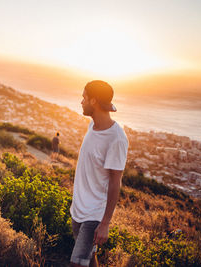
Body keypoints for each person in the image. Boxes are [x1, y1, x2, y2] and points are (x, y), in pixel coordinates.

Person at [70, 80, 128, 267]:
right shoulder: (92, 127)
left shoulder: (116, 139)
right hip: (79, 209)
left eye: (84, 97)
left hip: (93, 215)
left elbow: (115, 182)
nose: (81, 102)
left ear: (93, 101)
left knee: (77, 263)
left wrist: (105, 223)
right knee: (90, 258)